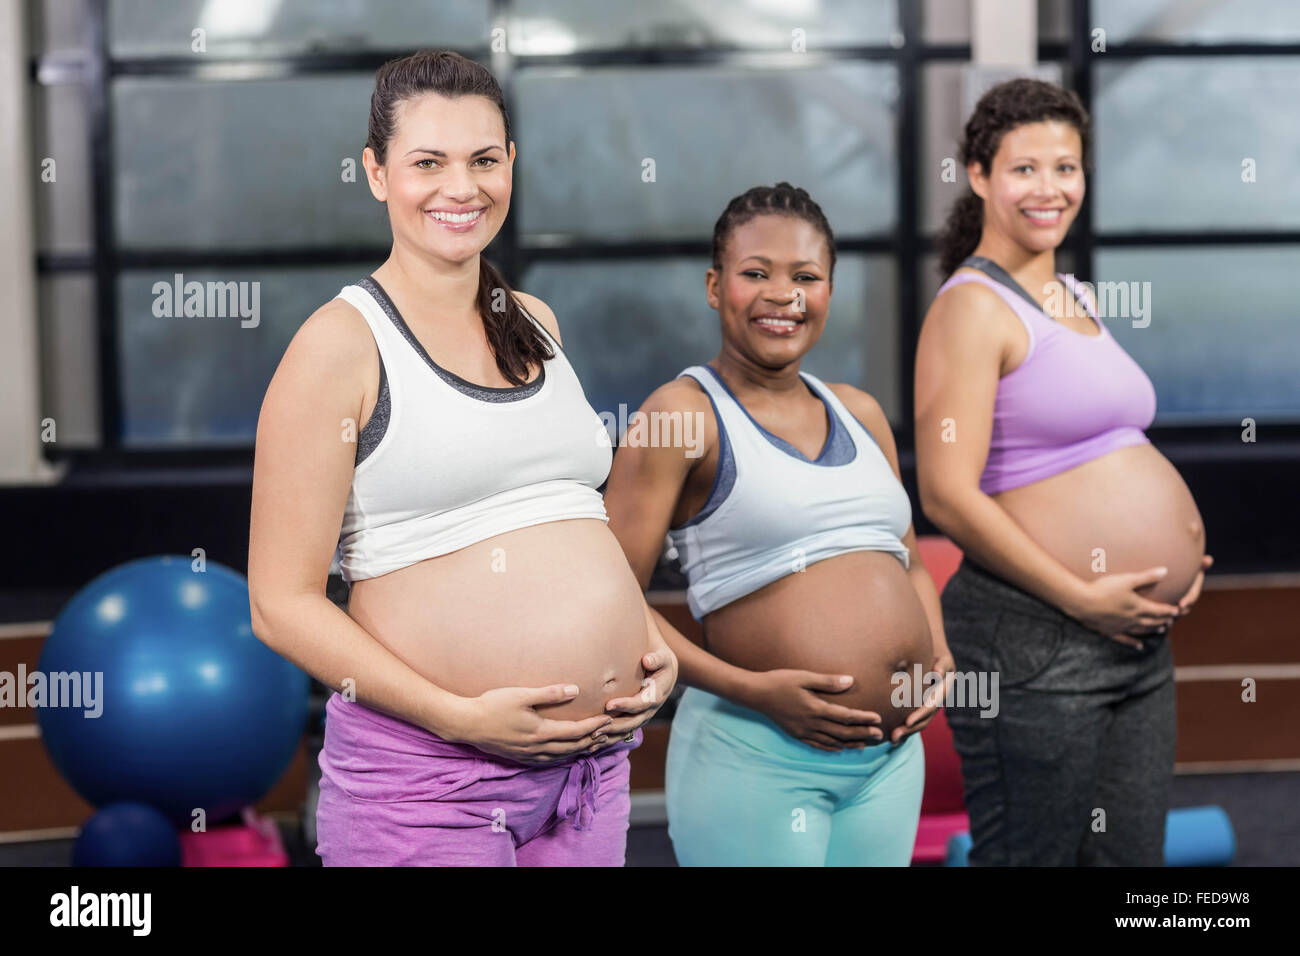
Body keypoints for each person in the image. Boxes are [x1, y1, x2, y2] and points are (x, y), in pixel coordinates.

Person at [247, 50, 677, 866]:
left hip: (590, 777)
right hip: (426, 784)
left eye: (484, 159)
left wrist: (654, 659)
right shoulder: (339, 347)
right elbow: (280, 603)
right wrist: (455, 714)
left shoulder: (537, 321)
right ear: (376, 173)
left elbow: (561, 523)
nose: (462, 187)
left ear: (511, 163)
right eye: (427, 163)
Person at [603, 183, 952, 866]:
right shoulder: (681, 416)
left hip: (888, 763)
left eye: (805, 277)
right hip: (755, 755)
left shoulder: (861, 411)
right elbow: (608, 599)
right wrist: (753, 690)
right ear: (715, 286)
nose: (782, 295)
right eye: (755, 273)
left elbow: (907, 561)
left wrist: (934, 658)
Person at [915, 78, 1212, 866]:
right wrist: (1084, 595)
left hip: (1136, 640)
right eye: (1024, 169)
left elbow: (1102, 454)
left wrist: (1179, 558)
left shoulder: (1073, 293)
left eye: (1066, 167)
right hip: (1039, 636)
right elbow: (945, 491)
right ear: (979, 175)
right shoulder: (972, 309)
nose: (1050, 189)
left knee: (1128, 866)